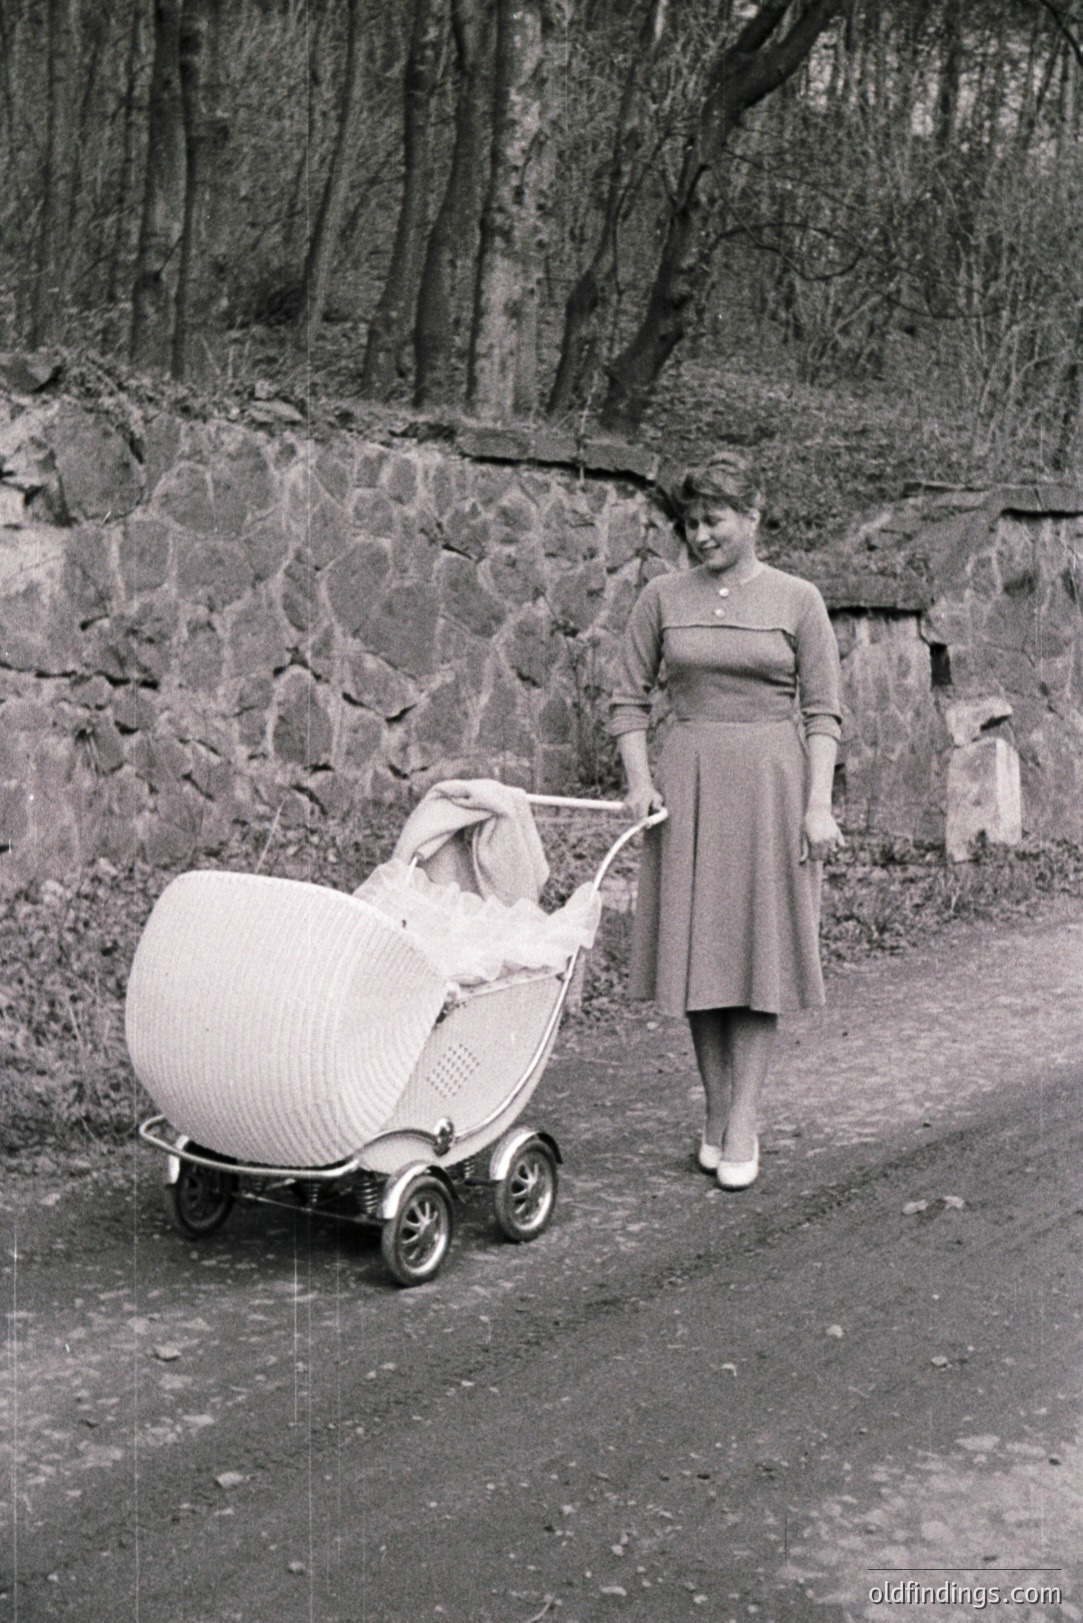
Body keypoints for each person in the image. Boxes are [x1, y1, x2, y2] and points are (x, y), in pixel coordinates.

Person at [609, 451, 844, 1190]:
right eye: (690, 522)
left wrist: (816, 804)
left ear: (751, 517)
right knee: (698, 955)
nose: (700, 535)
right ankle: (714, 1109)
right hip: (687, 786)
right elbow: (627, 699)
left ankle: (743, 1116)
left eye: (713, 520)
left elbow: (823, 711)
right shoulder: (660, 596)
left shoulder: (797, 598)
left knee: (757, 957)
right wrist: (640, 781)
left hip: (772, 787)